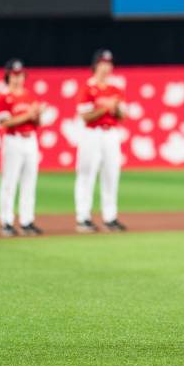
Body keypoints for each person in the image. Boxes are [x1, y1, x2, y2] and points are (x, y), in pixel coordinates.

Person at [74, 49, 127, 233]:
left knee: (111, 175)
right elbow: (86, 116)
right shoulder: (88, 88)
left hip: (111, 133)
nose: (106, 67)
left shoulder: (115, 89)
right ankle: (83, 218)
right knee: (86, 175)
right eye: (103, 63)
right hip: (92, 134)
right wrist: (106, 108)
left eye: (109, 63)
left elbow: (121, 115)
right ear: (96, 65)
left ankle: (110, 217)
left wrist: (116, 109)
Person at [0, 59, 45, 237]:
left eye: (20, 74)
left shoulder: (29, 96)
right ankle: (6, 221)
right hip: (13, 140)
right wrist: (28, 115)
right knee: (9, 182)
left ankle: (26, 221)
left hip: (30, 139)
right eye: (14, 75)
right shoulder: (4, 97)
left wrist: (37, 115)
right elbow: (5, 122)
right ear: (8, 76)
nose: (18, 78)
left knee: (29, 181)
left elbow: (36, 122)